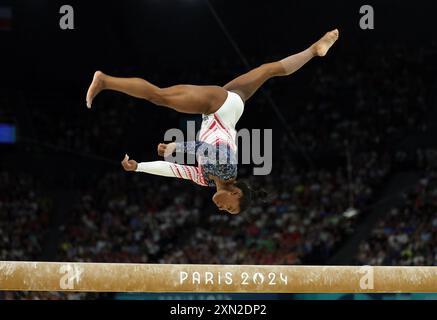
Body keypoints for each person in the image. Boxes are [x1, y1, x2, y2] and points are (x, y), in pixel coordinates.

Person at [86, 29, 339, 214]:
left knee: (267, 70)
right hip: (217, 108)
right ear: (235, 193)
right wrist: (177, 148)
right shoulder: (228, 171)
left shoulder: (205, 179)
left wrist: (138, 167)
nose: (223, 210)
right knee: (159, 97)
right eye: (231, 209)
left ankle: (313, 50)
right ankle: (105, 81)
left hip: (230, 109)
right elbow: (208, 149)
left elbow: (175, 171)